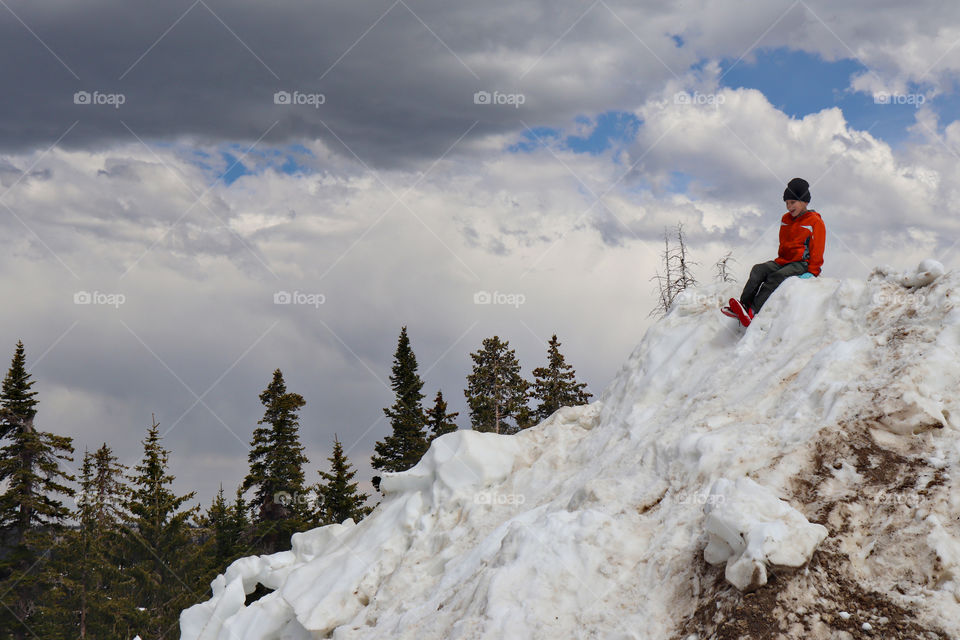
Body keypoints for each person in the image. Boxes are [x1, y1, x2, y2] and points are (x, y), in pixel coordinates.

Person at [724, 178, 825, 327]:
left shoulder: (815, 222)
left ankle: (753, 312)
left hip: (801, 264)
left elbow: (818, 248)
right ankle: (744, 306)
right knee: (758, 270)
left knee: (777, 277)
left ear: (804, 202)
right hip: (783, 261)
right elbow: (784, 243)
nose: (788, 207)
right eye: (786, 203)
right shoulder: (786, 219)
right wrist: (778, 262)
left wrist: (813, 271)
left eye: (792, 202)